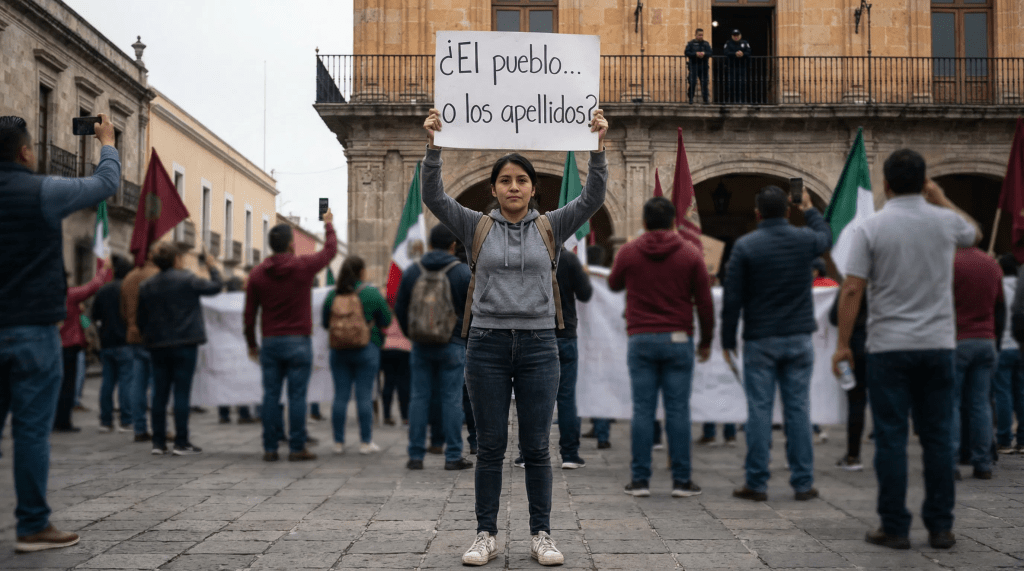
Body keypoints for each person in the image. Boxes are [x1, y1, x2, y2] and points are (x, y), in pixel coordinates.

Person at [422, 106, 608, 567]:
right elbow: (434, 197)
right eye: (505, 180)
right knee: (489, 446)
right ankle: (485, 533)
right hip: (484, 345)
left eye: (521, 181)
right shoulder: (475, 225)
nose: (513, 187)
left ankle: (541, 533)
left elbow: (591, 199)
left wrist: (599, 146)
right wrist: (433, 147)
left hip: (540, 346)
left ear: (532, 188)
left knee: (536, 446)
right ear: (494, 189)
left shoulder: (550, 226)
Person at [832, 149, 980, 550]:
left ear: (886, 184)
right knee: (937, 437)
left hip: (888, 347)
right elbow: (975, 233)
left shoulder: (871, 228)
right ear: (925, 181)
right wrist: (941, 198)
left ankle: (894, 526)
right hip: (938, 345)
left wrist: (843, 344)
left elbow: (852, 287)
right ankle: (941, 527)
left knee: (892, 438)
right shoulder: (946, 222)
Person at [0, 113, 119, 551]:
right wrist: (106, 141)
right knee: (31, 431)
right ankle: (32, 524)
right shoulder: (43, 191)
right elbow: (106, 183)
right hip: (32, 329)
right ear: (26, 152)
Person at [722, 185, 831, 502]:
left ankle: (756, 482)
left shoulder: (746, 246)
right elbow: (827, 237)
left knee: (759, 410)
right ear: (787, 211)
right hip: (798, 337)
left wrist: (728, 338)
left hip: (760, 338)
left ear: (757, 214)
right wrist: (809, 208)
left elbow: (733, 297)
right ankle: (803, 483)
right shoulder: (804, 239)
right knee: (799, 411)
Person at [609, 196, 714, 498]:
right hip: (679, 338)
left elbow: (615, 284)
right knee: (678, 410)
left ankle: (640, 481)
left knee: (643, 410)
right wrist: (706, 340)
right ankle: (681, 481)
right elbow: (705, 303)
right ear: (672, 222)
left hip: (641, 338)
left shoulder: (629, 251)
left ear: (643, 222)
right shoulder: (691, 253)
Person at [245, 213, 337, 462]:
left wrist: (252, 344)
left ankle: (270, 447)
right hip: (298, 341)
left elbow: (249, 314)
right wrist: (328, 223)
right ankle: (297, 447)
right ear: (290, 244)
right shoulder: (303, 267)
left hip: (271, 342)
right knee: (297, 397)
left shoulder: (257, 275)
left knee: (271, 396)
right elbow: (330, 251)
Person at [395, 224, 473, 471]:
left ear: (428, 244)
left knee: (419, 398)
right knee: (451, 399)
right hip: (453, 344)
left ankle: (416, 455)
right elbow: (473, 310)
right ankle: (452, 456)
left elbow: (400, 307)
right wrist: (464, 336)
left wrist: (413, 334)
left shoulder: (412, 272)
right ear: (453, 246)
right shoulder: (462, 272)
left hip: (421, 344)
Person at [137, 245, 222, 455]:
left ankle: (158, 442)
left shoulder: (147, 285)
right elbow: (216, 287)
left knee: (159, 393)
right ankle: (181, 441)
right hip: (185, 343)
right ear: (176, 260)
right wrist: (212, 267)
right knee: (181, 393)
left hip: (158, 345)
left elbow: (140, 319)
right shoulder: (188, 279)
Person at [514, 246, 593, 470]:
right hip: (564, 334)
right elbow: (585, 294)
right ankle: (569, 454)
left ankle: (526, 453)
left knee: (529, 397)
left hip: (533, 334)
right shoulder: (569, 259)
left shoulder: (525, 257)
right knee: (567, 398)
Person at [322, 255, 391, 455]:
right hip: (367, 348)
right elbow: (386, 320)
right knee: (364, 396)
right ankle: (365, 442)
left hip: (339, 350)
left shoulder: (333, 294)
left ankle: (338, 442)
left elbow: (326, 323)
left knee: (340, 396)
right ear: (361, 271)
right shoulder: (371, 293)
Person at [952, 246, 1003, 480]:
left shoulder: (950, 262)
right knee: (980, 403)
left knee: (951, 403)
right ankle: (982, 462)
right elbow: (999, 300)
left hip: (958, 337)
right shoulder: (992, 264)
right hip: (986, 338)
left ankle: (950, 461)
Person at [55, 264, 112, 432]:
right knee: (68, 384)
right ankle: (63, 420)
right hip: (70, 344)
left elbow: (83, 321)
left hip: (56, 344)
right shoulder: (70, 296)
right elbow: (93, 286)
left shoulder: (51, 297)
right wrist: (104, 269)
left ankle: (59, 416)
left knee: (59, 384)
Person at [91, 255, 136, 433]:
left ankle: (105, 421)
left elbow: (92, 316)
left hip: (106, 343)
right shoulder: (129, 290)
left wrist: (96, 331)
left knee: (107, 383)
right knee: (126, 383)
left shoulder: (103, 290)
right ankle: (126, 420)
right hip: (125, 343)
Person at [829, 280, 869, 471]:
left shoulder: (852, 282)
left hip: (854, 346)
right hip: (881, 344)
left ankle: (853, 455)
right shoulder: (884, 280)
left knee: (855, 400)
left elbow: (833, 317)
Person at [121, 249, 160, 442]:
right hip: (155, 337)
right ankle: (160, 428)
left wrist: (131, 324)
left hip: (134, 335)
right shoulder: (157, 276)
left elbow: (123, 309)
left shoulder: (128, 277)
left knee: (137, 384)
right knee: (158, 384)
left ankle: (139, 428)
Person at [997, 255, 1024, 454]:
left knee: (1003, 394)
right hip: (1020, 346)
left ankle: (1005, 439)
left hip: (1003, 345)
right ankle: (1022, 440)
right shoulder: (1021, 288)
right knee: (1021, 393)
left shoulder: (999, 288)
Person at [380, 318, 412, 426]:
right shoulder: (404, 310)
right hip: (405, 348)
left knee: (388, 382)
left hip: (387, 348)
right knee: (404, 384)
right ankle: (405, 416)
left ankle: (387, 415)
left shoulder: (386, 312)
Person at [685, 28, 712, 104]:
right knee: (692, 83)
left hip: (703, 67)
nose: (701, 36)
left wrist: (704, 54)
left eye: (702, 35)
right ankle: (691, 99)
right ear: (696, 35)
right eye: (699, 35)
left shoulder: (706, 44)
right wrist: (695, 54)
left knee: (704, 84)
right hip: (694, 66)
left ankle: (706, 100)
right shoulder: (691, 43)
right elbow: (687, 52)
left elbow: (710, 53)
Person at [724, 29, 751, 104]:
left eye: (737, 35)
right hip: (731, 67)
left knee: (742, 84)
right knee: (731, 84)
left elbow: (749, 52)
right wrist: (735, 54)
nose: (736, 37)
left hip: (742, 67)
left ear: (740, 35)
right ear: (732, 36)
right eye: (734, 35)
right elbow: (726, 52)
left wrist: (743, 54)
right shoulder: (728, 43)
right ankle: (732, 100)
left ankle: (742, 100)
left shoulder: (745, 43)